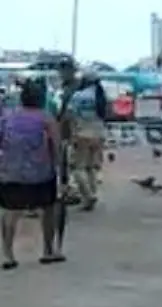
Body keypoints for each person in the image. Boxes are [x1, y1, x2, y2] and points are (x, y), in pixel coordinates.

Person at [0, 81, 64, 267]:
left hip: (10, 172)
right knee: (48, 210)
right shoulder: (46, 119)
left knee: (10, 212)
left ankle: (8, 255)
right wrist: (59, 170)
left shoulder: (8, 118)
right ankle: (48, 250)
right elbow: (56, 146)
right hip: (41, 173)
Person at [62, 76, 107, 211]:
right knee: (91, 167)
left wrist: (70, 134)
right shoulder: (101, 96)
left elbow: (69, 116)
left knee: (77, 168)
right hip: (99, 134)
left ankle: (88, 196)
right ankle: (93, 194)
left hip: (82, 134)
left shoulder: (78, 96)